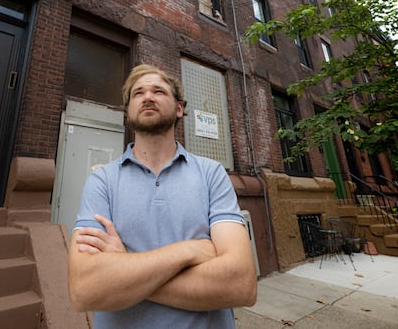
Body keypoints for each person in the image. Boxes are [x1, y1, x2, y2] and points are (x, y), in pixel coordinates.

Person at [68, 64, 257, 328]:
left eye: (158, 91)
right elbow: (85, 290)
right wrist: (188, 251)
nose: (148, 97)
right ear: (128, 112)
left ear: (179, 108)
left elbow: (240, 285)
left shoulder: (211, 174)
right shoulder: (102, 181)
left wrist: (124, 270)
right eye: (138, 93)